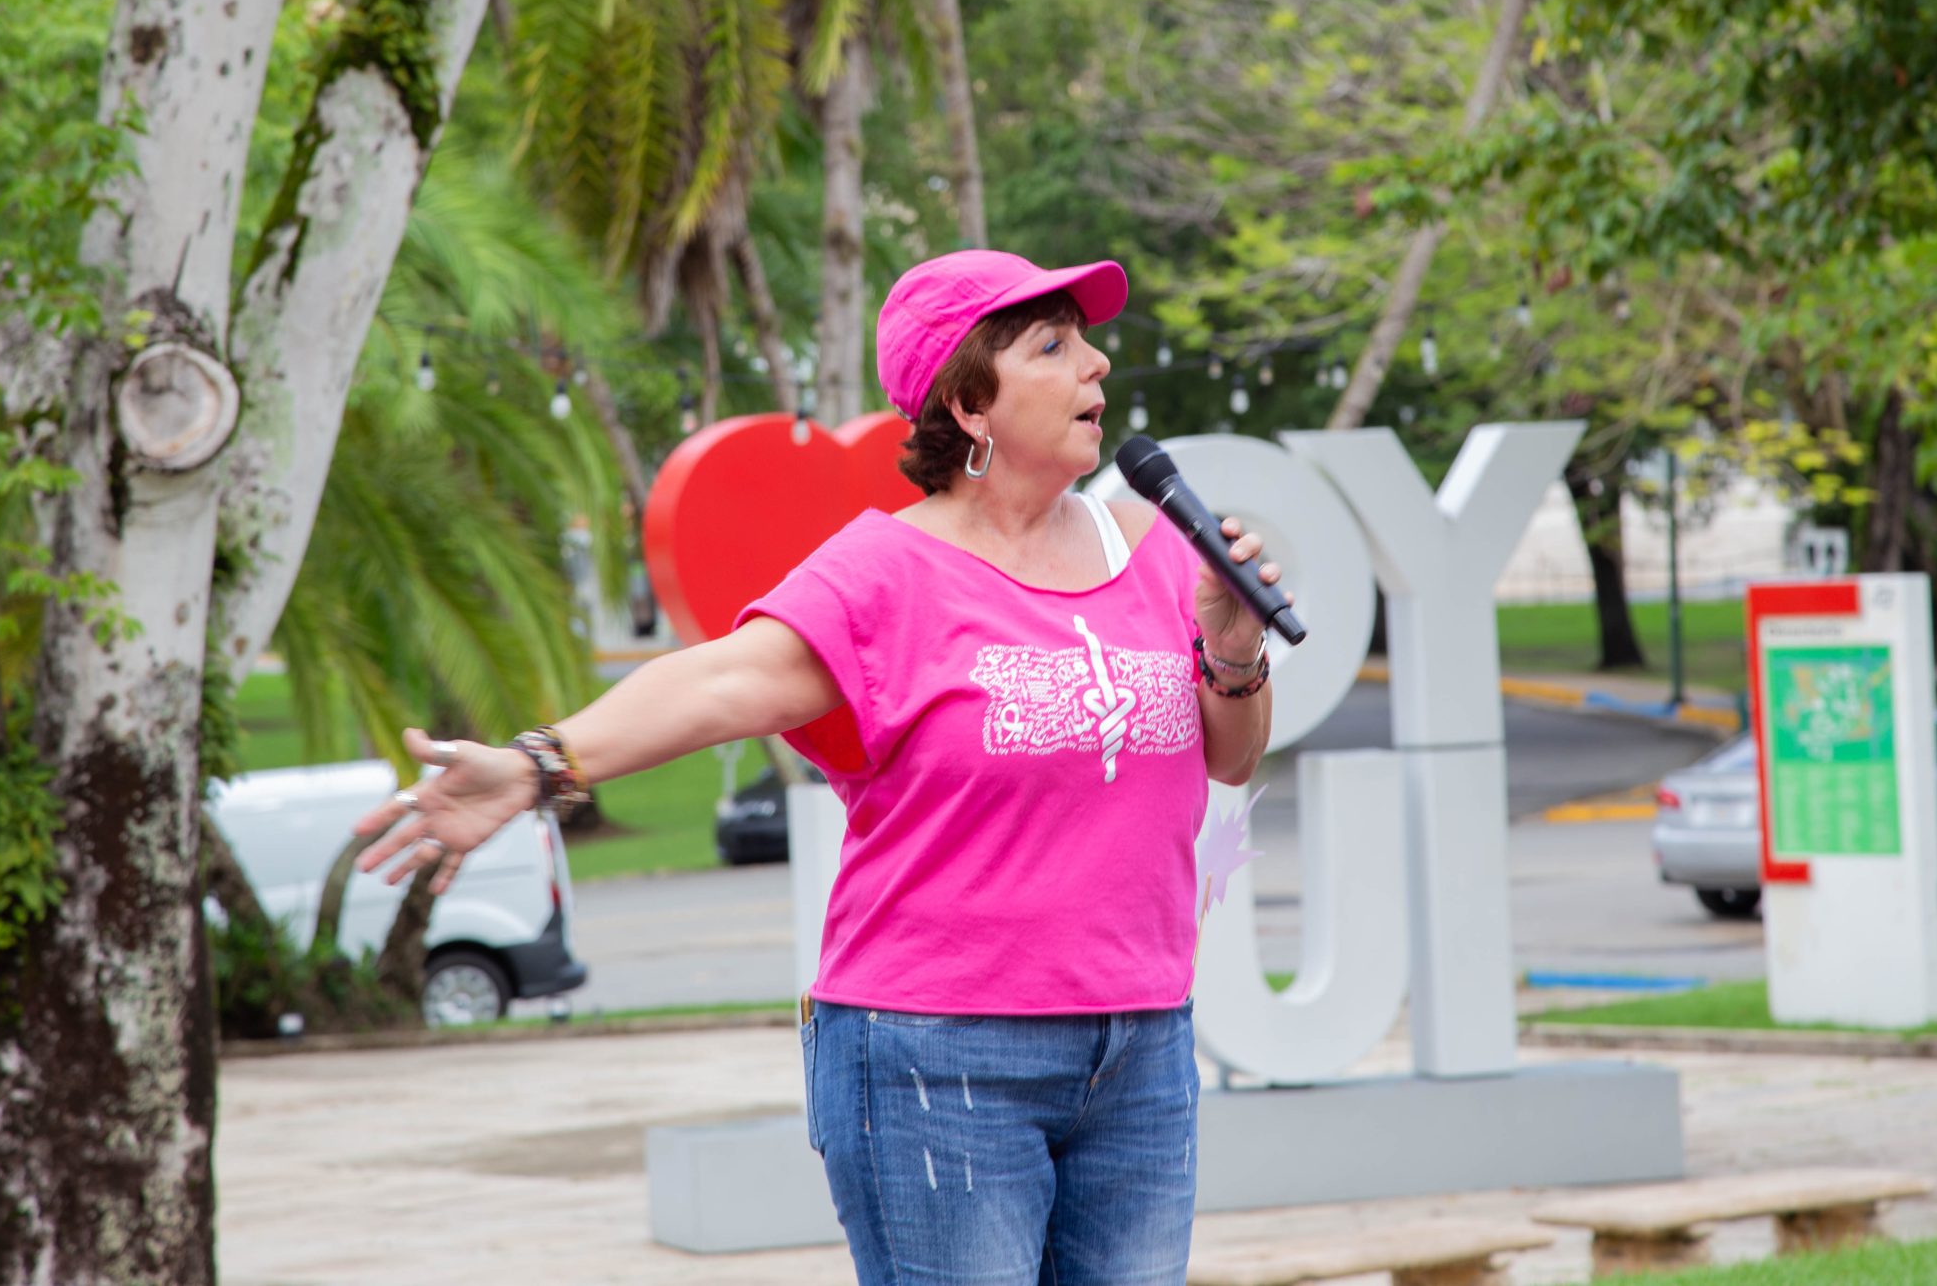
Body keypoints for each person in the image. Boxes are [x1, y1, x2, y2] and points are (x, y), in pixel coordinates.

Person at [352, 249, 1283, 1284]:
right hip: (940, 1054)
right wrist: (539, 765)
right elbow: (719, 685)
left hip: (1141, 1047)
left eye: (1086, 341)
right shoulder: (888, 572)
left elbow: (1229, 760)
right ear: (970, 403)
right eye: (1054, 346)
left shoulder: (1155, 550)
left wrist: (1232, 647)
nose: (1097, 365)